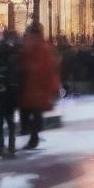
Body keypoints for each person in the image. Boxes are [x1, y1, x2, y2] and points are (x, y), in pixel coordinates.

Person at [19, 22, 60, 150]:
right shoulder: (45, 47)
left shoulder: (28, 46)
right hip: (40, 87)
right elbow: (51, 68)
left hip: (30, 86)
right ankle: (34, 135)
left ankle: (31, 134)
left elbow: (23, 65)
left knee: (28, 111)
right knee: (35, 112)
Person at [0, 27, 22, 157]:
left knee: (2, 119)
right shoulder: (17, 53)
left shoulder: (3, 53)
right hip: (11, 91)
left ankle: (2, 146)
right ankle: (11, 146)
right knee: (9, 120)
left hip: (4, 90)